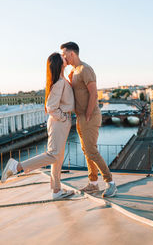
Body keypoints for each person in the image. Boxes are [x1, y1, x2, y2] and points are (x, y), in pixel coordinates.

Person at [1, 53, 74, 199]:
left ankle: (56, 190)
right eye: (62, 56)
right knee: (53, 155)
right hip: (59, 122)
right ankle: (17, 166)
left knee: (57, 158)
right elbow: (51, 107)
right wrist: (64, 117)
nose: (64, 56)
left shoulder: (61, 79)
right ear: (59, 63)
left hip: (60, 123)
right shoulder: (59, 82)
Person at [61, 42, 117, 198]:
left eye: (64, 55)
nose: (63, 58)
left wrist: (87, 114)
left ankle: (110, 183)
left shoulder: (85, 69)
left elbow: (93, 94)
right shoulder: (74, 71)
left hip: (89, 116)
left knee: (91, 150)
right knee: (87, 151)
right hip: (81, 117)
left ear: (72, 54)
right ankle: (93, 183)